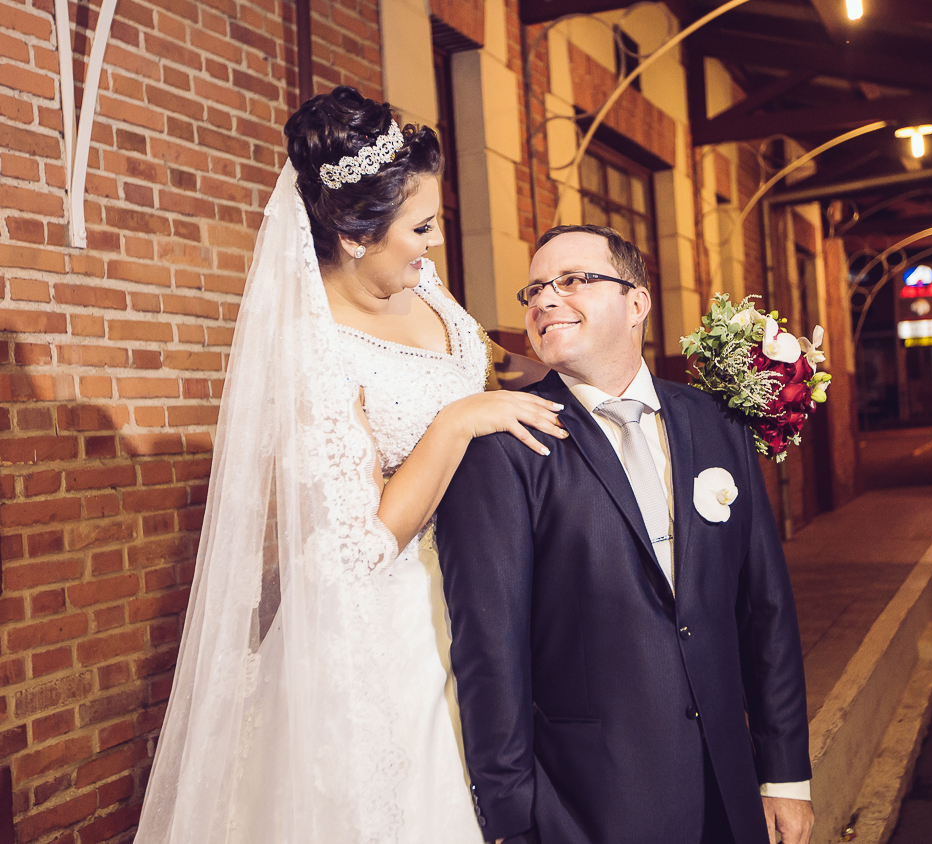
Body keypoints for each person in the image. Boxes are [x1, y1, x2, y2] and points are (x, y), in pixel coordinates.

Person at [133, 86, 566, 843]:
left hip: (485, 571)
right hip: (391, 624)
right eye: (422, 227)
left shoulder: (418, 278)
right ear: (356, 234)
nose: (434, 245)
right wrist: (460, 421)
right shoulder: (315, 353)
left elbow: (482, 364)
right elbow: (366, 544)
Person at [437, 225, 816, 844]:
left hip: (730, 787)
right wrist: (512, 817)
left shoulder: (715, 423)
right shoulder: (505, 448)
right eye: (534, 289)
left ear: (638, 302)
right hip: (591, 803)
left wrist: (784, 777)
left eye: (574, 280)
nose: (545, 299)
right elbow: (488, 647)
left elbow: (764, 607)